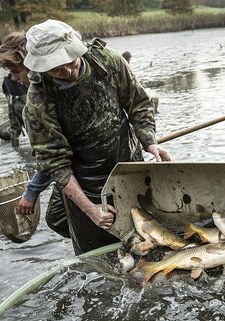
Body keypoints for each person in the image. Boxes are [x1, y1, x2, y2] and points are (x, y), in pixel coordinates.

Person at [22, 19, 170, 255]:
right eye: (57, 69)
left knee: (148, 246)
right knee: (100, 261)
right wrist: (90, 209)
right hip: (84, 184)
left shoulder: (106, 60)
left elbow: (139, 104)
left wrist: (150, 143)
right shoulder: (38, 102)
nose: (68, 71)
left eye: (71, 62)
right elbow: (55, 163)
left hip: (128, 165)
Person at [0, 32, 70, 238]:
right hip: (66, 166)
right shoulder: (38, 96)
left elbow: (53, 156)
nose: (14, 78)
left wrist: (31, 191)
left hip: (76, 169)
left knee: (57, 217)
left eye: (16, 70)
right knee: (59, 218)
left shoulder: (46, 97)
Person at [0, 32, 29, 147]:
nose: (14, 77)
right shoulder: (7, 83)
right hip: (18, 108)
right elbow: (10, 103)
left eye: (16, 72)